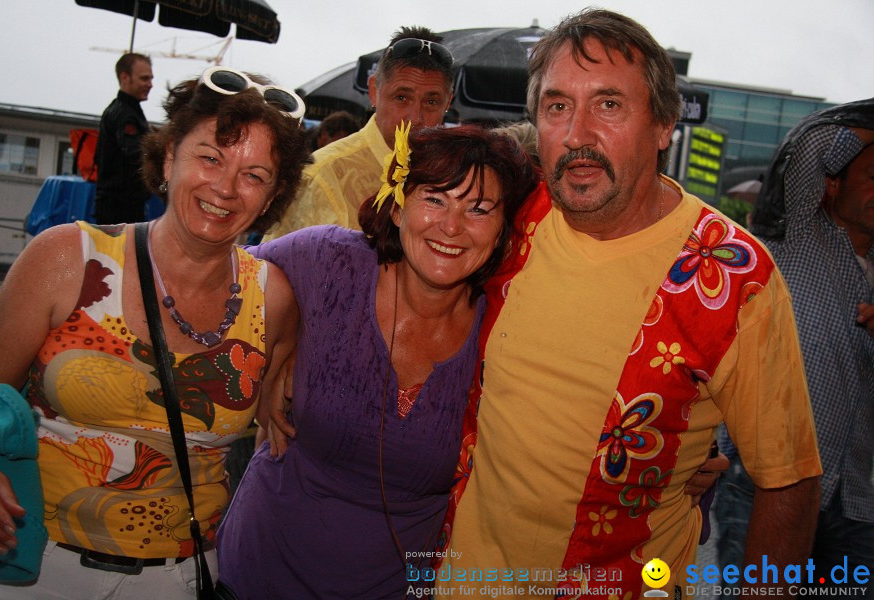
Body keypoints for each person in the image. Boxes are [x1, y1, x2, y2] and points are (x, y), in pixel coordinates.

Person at [433, 9, 822, 599]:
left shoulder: (730, 275)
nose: (579, 133)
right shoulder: (511, 215)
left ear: (664, 124)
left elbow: (787, 482)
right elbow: (399, 257)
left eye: (609, 105)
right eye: (558, 106)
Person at [0, 67, 310, 598]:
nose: (225, 188)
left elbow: (278, 438)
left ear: (272, 198)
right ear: (170, 155)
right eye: (210, 158)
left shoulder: (276, 299)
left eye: (254, 174)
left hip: (181, 578)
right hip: (32, 567)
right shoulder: (67, 258)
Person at [214, 124, 539, 599]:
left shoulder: (505, 336)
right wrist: (267, 351)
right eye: (434, 199)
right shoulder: (328, 261)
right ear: (398, 201)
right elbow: (218, 281)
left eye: (479, 209)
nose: (451, 226)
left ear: (505, 229)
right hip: (258, 575)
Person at [715, 99, 874, 598]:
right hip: (766, 483)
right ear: (832, 185)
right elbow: (811, 143)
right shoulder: (799, 237)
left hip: (856, 499)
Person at [262, 26, 455, 239]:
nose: (415, 117)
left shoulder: (454, 177)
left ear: (448, 102)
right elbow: (278, 267)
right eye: (401, 97)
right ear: (374, 91)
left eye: (431, 102)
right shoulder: (325, 175)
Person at [94, 53, 155, 225]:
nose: (150, 84)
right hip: (119, 208)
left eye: (150, 78)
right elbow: (136, 154)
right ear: (124, 77)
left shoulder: (126, 110)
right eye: (144, 78)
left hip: (121, 205)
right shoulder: (125, 114)